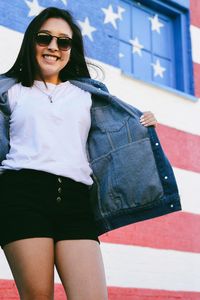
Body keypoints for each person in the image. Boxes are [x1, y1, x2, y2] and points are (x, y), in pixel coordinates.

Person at [0, 6, 181, 300]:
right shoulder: (9, 91)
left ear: (72, 49)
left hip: (75, 200)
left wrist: (142, 123)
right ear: (31, 41)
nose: (53, 47)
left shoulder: (87, 94)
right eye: (44, 38)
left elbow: (119, 133)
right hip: (22, 195)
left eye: (63, 41)